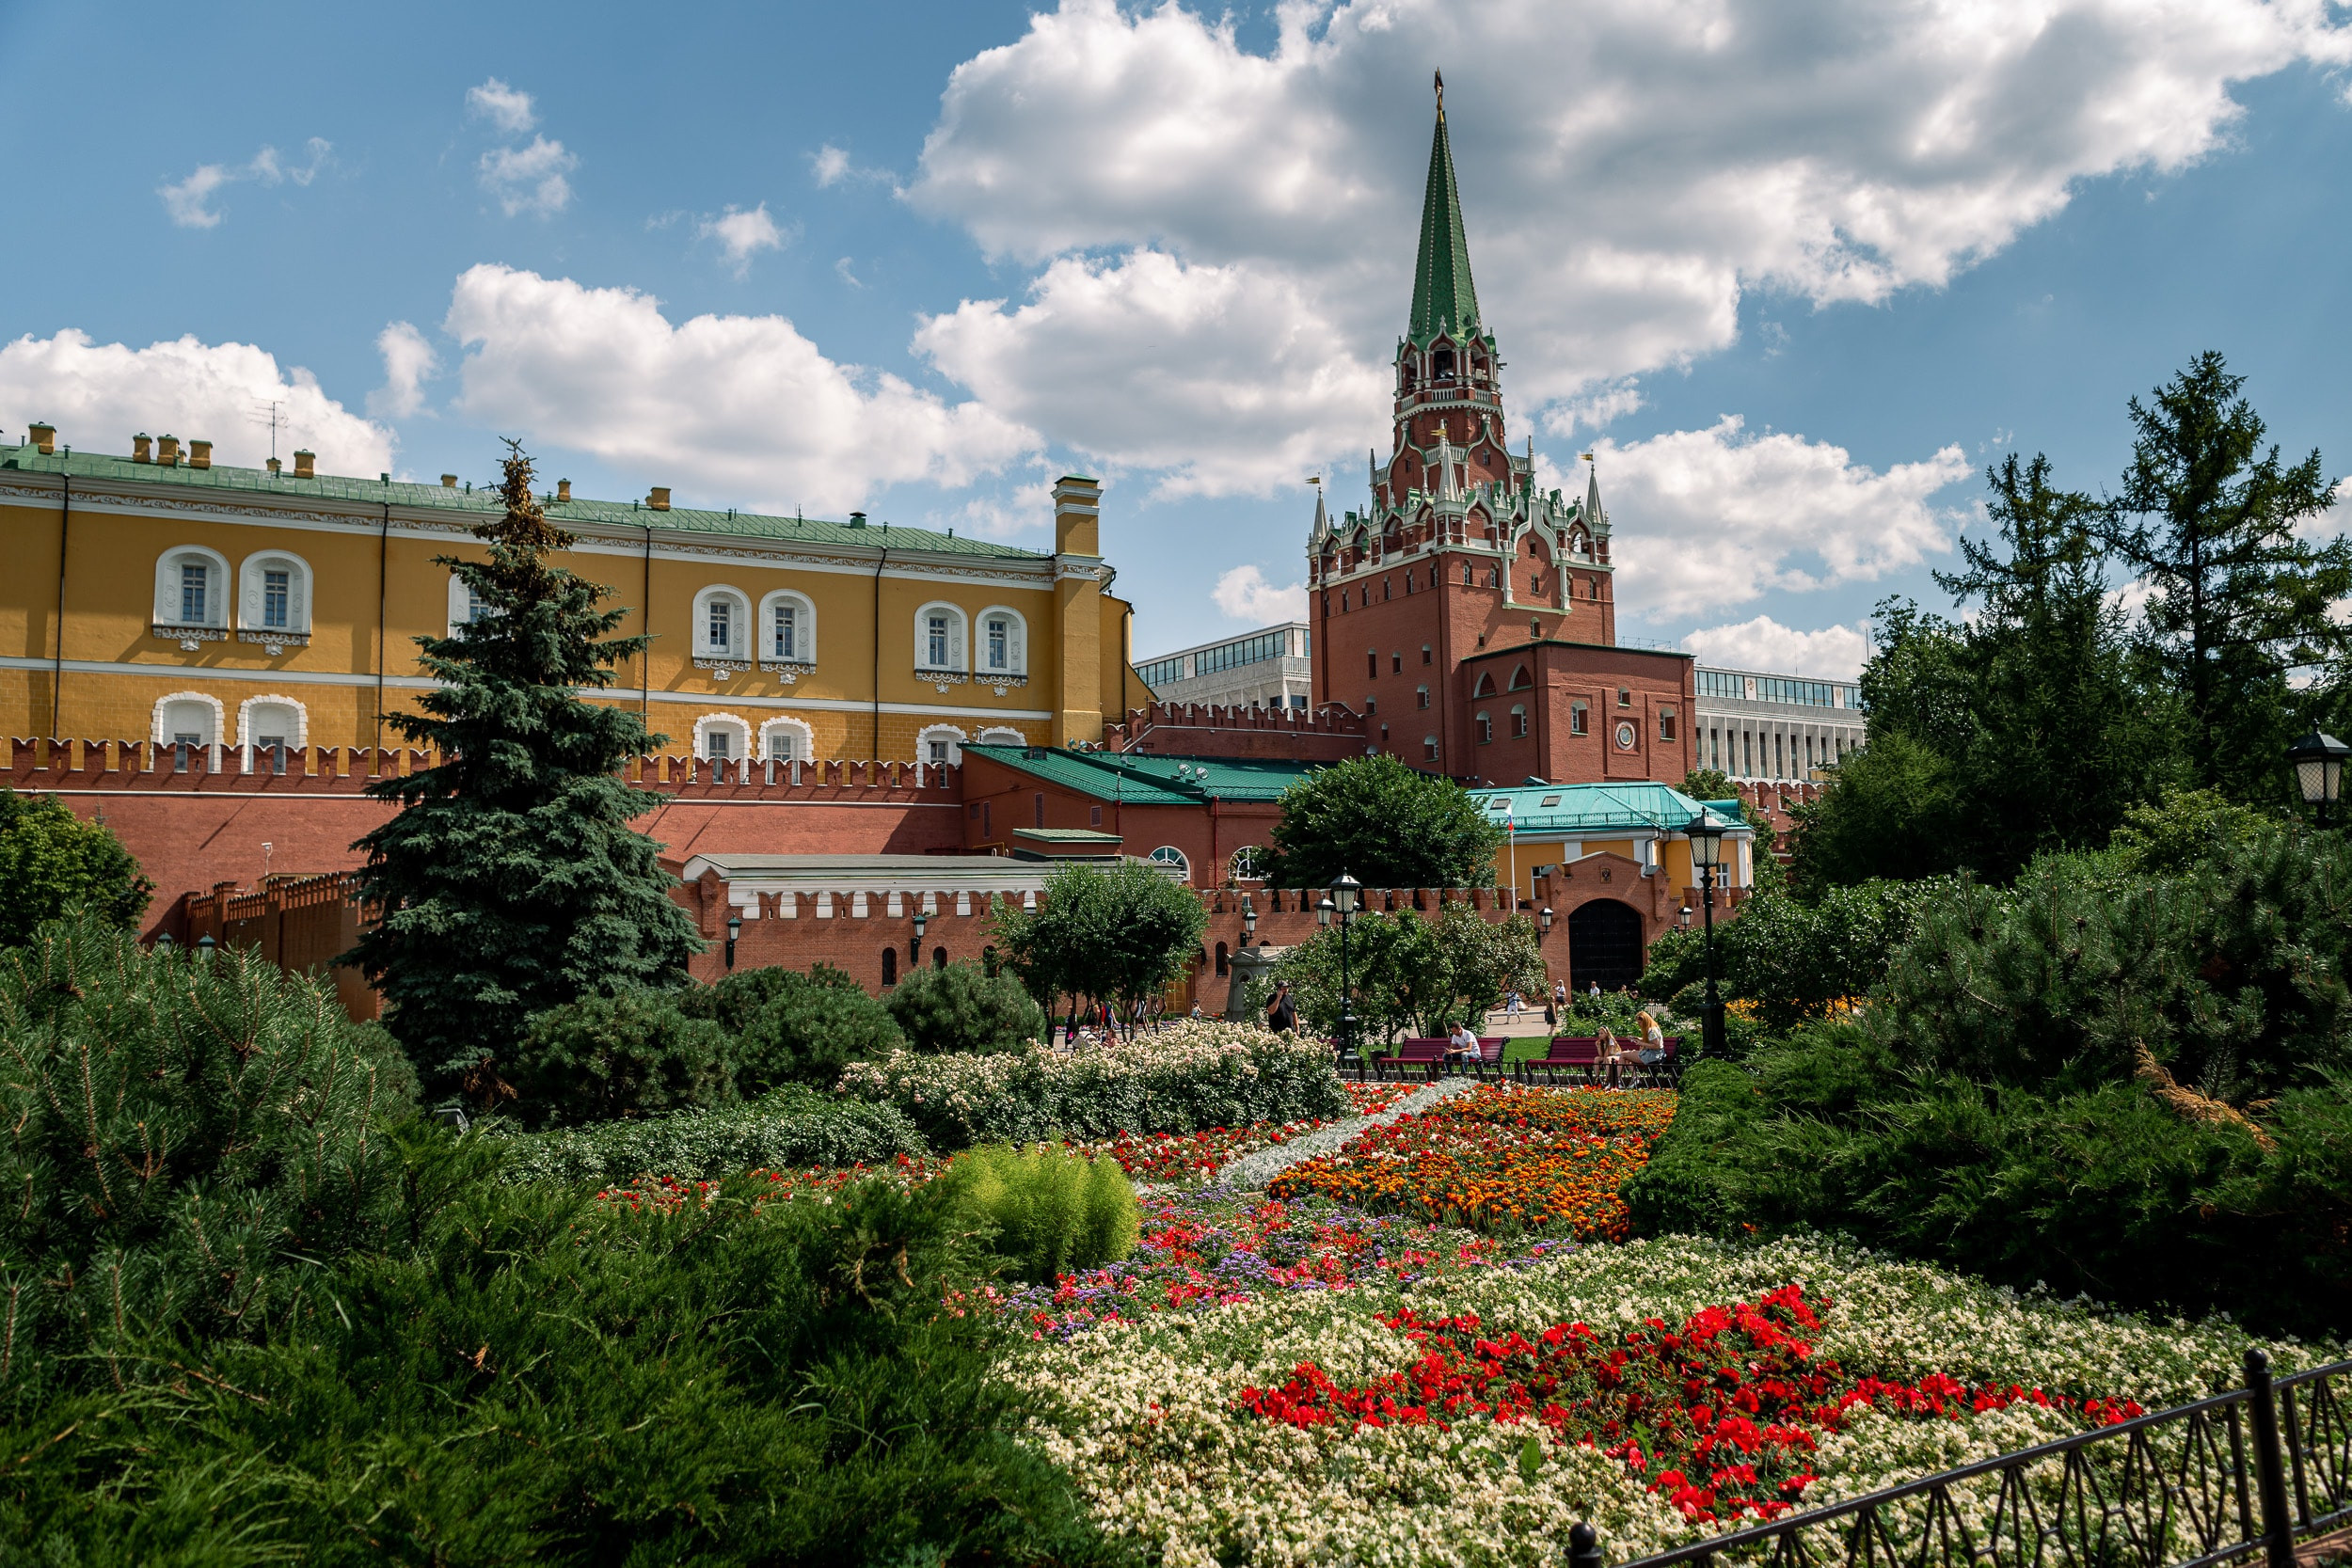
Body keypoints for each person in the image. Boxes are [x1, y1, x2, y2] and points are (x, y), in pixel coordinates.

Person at [1633, 1008, 1667, 1083]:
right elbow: (1651, 1041)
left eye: (1640, 1023)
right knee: (1626, 1058)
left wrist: (1641, 1043)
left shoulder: (1651, 1031)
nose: (1638, 1025)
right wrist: (1639, 1039)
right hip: (1654, 1054)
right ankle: (1634, 1079)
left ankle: (1620, 1081)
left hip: (1654, 1055)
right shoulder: (1652, 1028)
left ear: (1645, 1021)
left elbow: (1656, 1046)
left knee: (1624, 1055)